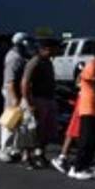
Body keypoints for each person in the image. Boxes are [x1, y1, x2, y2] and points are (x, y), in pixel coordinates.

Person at [68, 46, 95, 180]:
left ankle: (86, 165)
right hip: (88, 107)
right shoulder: (91, 67)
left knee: (93, 140)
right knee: (86, 139)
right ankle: (78, 168)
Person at [20, 40, 59, 168]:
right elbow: (25, 83)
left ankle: (40, 154)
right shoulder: (34, 62)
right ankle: (28, 157)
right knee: (32, 130)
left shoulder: (48, 62)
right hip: (37, 99)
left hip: (48, 99)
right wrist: (30, 103)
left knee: (47, 130)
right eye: (52, 49)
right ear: (44, 49)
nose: (55, 51)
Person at [0, 33, 30, 162]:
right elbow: (10, 80)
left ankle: (14, 149)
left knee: (18, 122)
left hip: (16, 92)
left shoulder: (19, 56)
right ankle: (5, 150)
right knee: (10, 122)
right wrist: (14, 98)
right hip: (12, 92)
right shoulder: (14, 58)